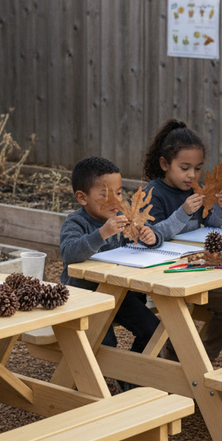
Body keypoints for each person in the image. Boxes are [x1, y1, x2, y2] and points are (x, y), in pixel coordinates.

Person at [141, 118, 222, 362]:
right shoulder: (153, 194)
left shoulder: (194, 190)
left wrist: (221, 208)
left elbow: (209, 224)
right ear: (165, 164)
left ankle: (196, 360)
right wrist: (183, 212)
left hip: (198, 265)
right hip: (165, 271)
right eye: (185, 167)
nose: (192, 175)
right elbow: (153, 235)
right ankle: (189, 363)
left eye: (197, 168)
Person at [60, 156, 162, 373]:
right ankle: (89, 387)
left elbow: (130, 251)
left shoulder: (122, 219)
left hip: (119, 294)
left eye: (118, 192)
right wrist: (102, 234)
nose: (116, 201)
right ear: (82, 197)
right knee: (105, 344)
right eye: (105, 194)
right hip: (85, 298)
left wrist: (145, 237)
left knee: (154, 330)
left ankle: (130, 374)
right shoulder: (76, 222)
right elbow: (69, 253)